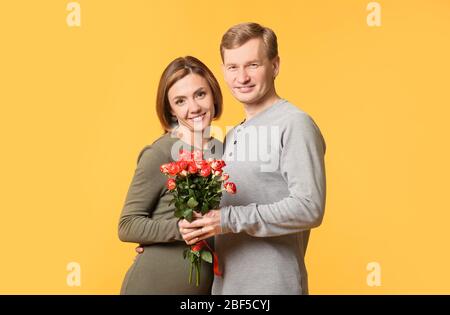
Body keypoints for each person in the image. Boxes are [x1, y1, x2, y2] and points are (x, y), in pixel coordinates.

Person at [178, 22, 327, 294]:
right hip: (228, 289)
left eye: (253, 65)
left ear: (275, 65)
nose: (242, 77)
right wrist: (180, 234)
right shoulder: (234, 134)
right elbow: (225, 218)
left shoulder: (294, 123)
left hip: (272, 288)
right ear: (224, 71)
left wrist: (227, 219)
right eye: (233, 67)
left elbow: (309, 207)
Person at [118, 56, 223, 294]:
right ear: (171, 110)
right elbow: (127, 225)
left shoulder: (226, 150)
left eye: (200, 94)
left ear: (214, 94)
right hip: (153, 286)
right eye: (180, 101)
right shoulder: (160, 153)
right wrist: (180, 229)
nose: (194, 108)